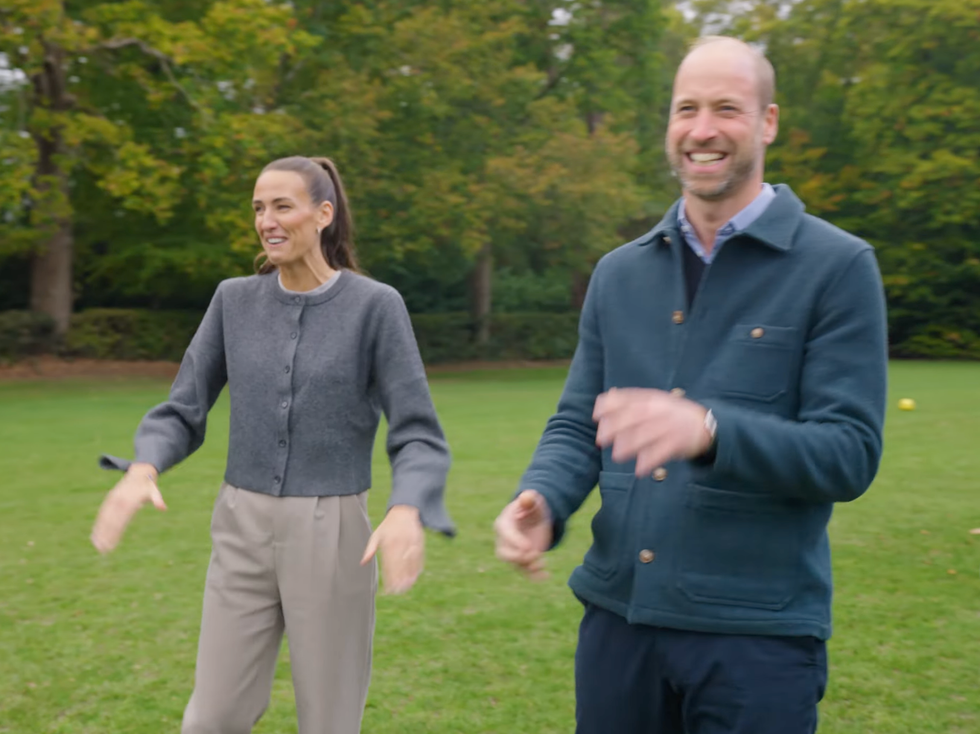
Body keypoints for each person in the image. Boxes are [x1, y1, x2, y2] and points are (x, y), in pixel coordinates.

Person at [494, 36, 888, 734]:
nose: (702, 129)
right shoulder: (619, 273)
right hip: (619, 624)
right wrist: (543, 498)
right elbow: (580, 421)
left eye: (726, 109)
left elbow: (848, 453)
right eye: (686, 109)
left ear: (767, 123)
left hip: (756, 639)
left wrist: (710, 431)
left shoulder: (838, 266)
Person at [91, 156, 454, 734]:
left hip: (333, 532)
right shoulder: (233, 301)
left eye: (282, 205)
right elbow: (182, 409)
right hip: (240, 525)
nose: (267, 220)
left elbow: (418, 431)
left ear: (323, 214)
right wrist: (143, 467)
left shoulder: (374, 306)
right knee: (212, 718)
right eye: (259, 208)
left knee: (330, 721)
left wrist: (408, 505)